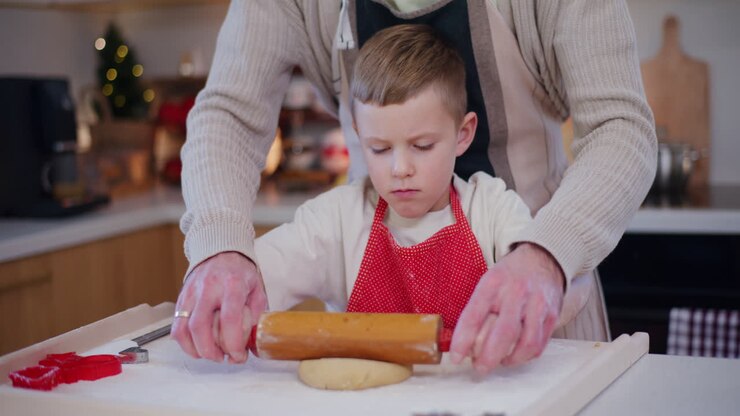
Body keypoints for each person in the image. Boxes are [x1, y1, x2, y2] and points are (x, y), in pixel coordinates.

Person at [172, 0, 657, 375]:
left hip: (539, 305)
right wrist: (223, 253)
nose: (402, 169)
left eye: (423, 145)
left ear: (461, 130)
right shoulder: (342, 225)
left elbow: (621, 126)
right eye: (381, 148)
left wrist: (549, 257)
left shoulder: (499, 214)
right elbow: (229, 117)